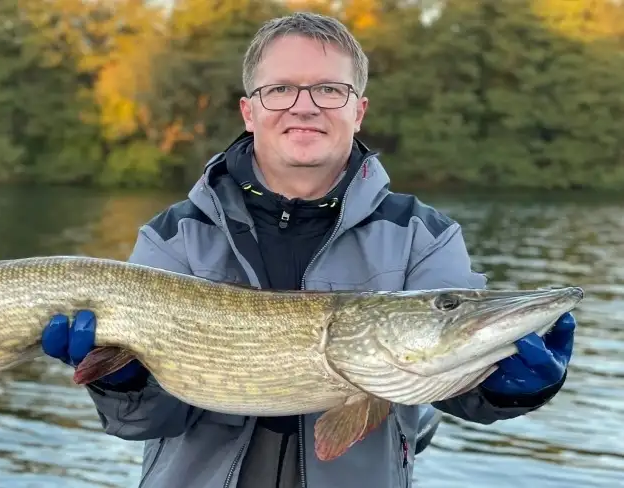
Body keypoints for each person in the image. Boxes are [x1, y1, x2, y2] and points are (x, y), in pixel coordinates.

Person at [40, 11, 577, 488]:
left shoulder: (423, 234)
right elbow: (146, 423)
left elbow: (451, 386)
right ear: (249, 111)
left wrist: (512, 391)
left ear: (358, 110)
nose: (305, 107)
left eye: (329, 90)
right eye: (281, 90)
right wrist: (122, 381)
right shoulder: (175, 234)